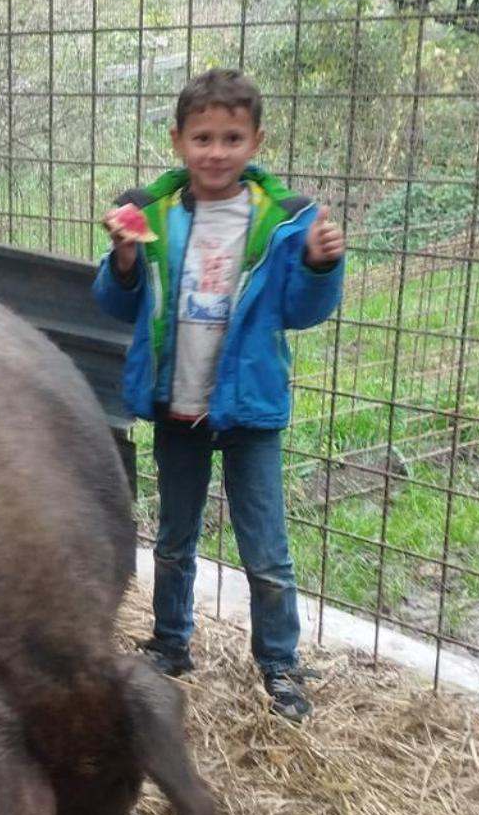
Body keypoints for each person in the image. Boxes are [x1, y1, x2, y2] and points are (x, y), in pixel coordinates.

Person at [91, 69, 346, 721]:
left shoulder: (283, 221)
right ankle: (171, 644)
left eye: (232, 137)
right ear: (178, 141)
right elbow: (114, 303)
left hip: (249, 409)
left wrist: (320, 264)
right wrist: (122, 261)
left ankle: (280, 663)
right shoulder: (152, 215)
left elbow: (299, 309)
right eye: (202, 136)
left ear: (256, 141)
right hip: (178, 405)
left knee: (266, 548)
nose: (216, 151)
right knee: (175, 538)